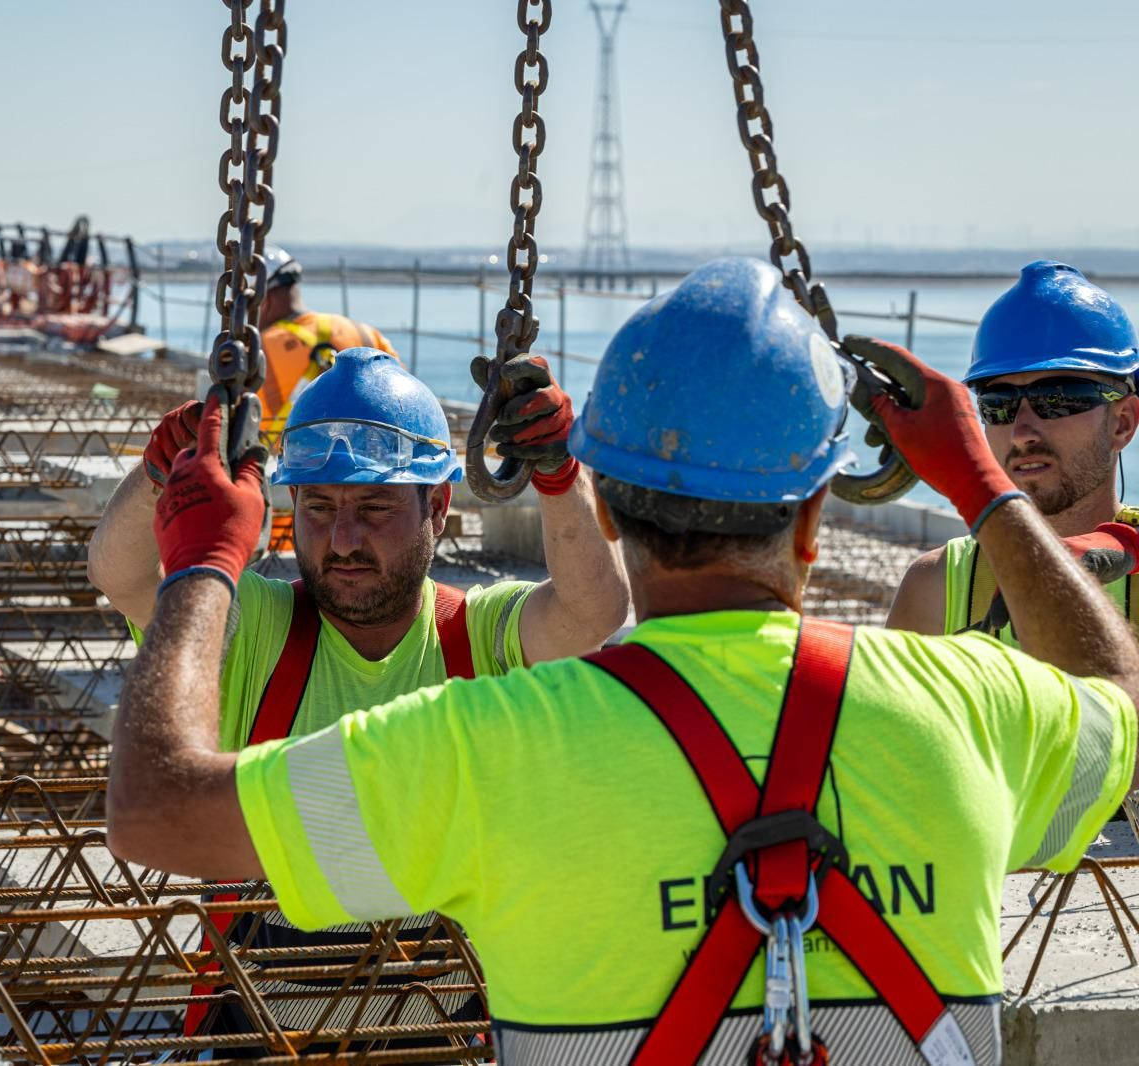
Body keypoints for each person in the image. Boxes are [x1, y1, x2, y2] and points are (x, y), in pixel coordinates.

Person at [106, 258, 1139, 1065]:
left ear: (603, 502)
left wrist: (204, 560)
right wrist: (979, 487)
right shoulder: (966, 705)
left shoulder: (491, 741)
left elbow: (157, 811)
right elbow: (1116, 695)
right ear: (817, 514)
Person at [89, 346, 628, 1045]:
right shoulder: (258, 628)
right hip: (259, 1042)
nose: (342, 539)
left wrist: (559, 474)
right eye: (318, 507)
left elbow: (594, 611)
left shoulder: (481, 637)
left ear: (437, 506)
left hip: (444, 1045)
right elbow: (120, 572)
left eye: (374, 506)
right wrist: (160, 473)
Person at [886, 261, 1139, 639]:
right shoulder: (938, 590)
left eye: (1055, 399)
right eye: (998, 404)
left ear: (1123, 422)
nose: (1021, 433)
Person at [256, 245, 397, 438]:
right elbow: (404, 403)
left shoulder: (257, 349)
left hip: (287, 463)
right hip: (370, 460)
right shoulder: (366, 334)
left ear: (262, 300)